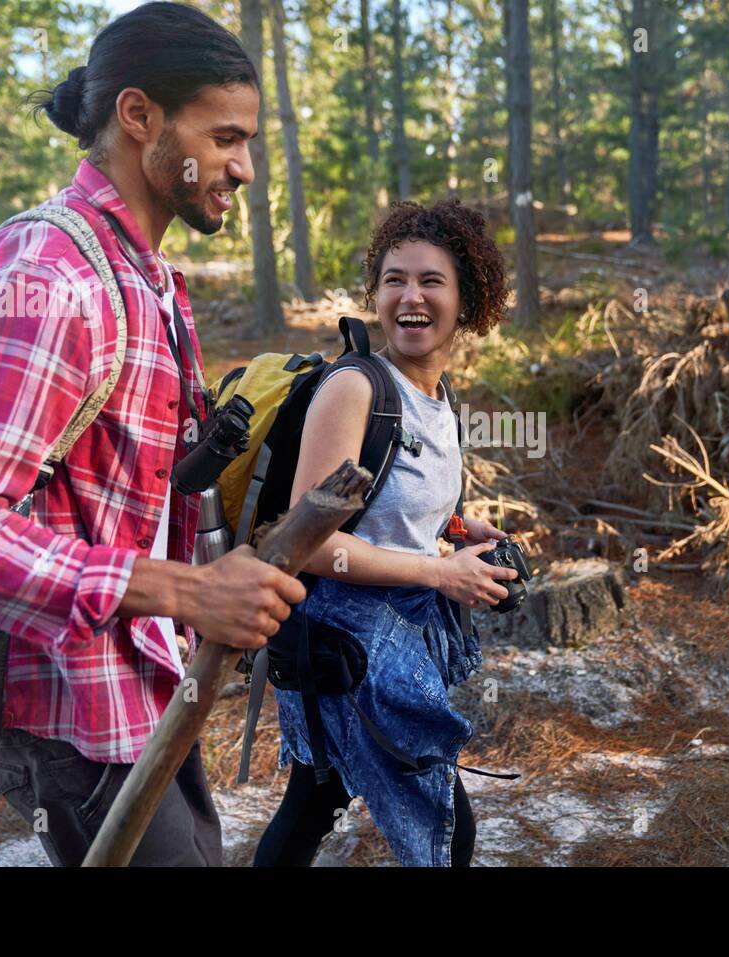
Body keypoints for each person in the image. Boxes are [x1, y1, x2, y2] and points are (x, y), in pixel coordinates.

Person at [0, 1, 305, 867]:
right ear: (139, 115)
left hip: (142, 683)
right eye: (226, 137)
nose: (246, 167)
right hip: (66, 706)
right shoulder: (47, 276)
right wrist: (186, 594)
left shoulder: (144, 276)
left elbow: (125, 494)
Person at [252, 200, 518, 868]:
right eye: (395, 278)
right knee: (446, 826)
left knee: (314, 802)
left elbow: (395, 507)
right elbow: (307, 540)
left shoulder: (435, 394)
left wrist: (458, 527)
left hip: (386, 636)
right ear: (375, 290)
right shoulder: (355, 388)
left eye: (432, 280)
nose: (411, 296)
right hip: (337, 641)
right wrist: (439, 572)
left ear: (467, 297)